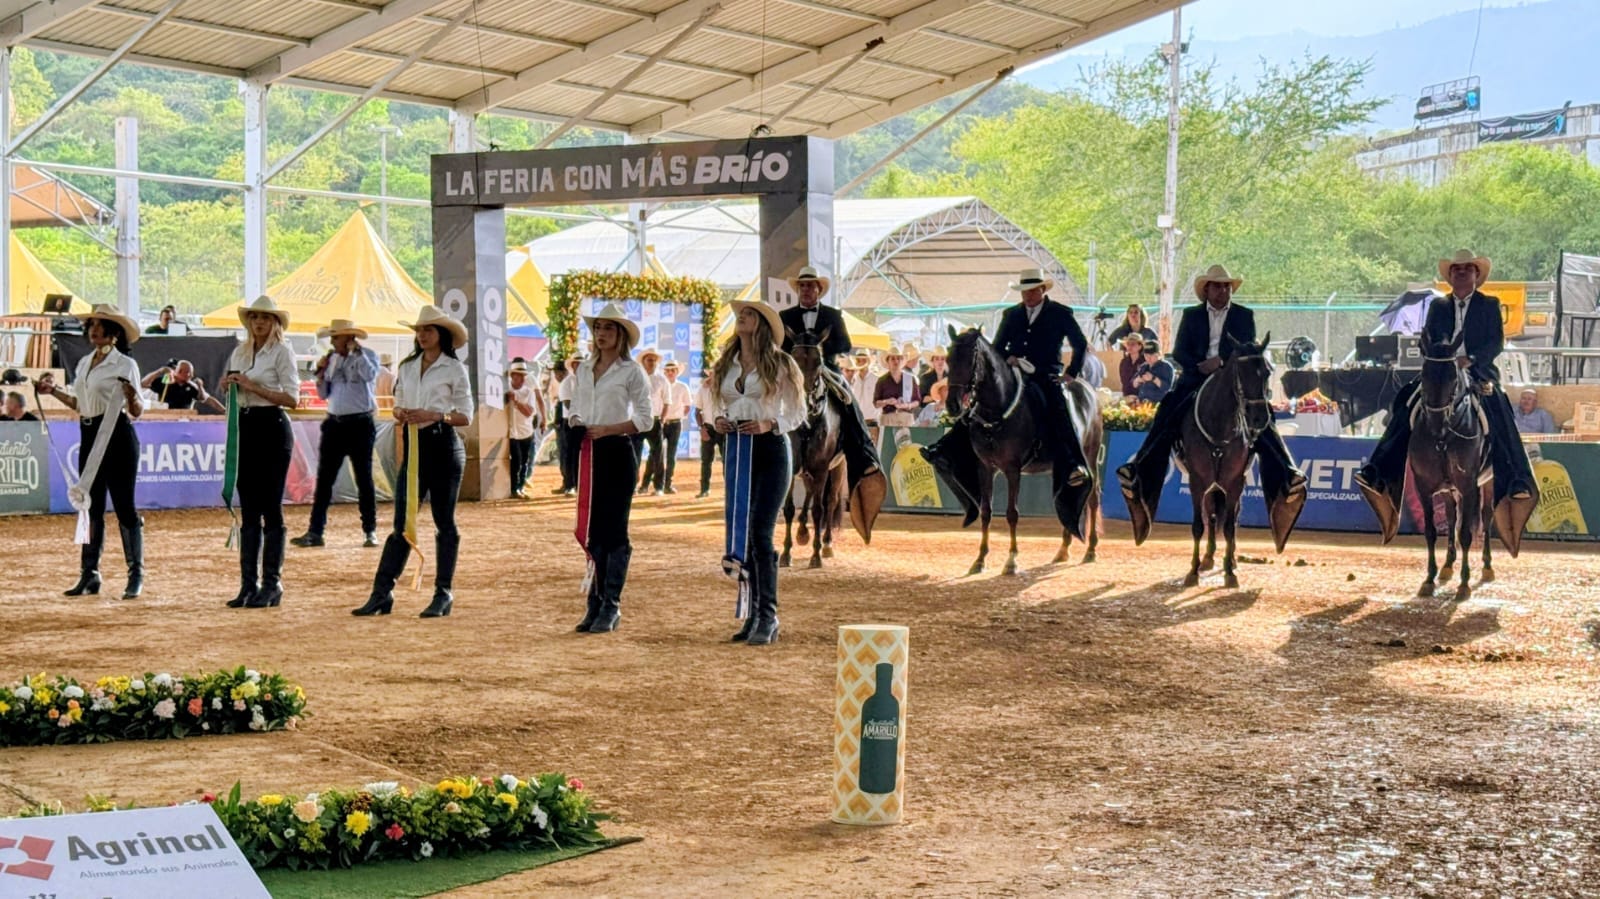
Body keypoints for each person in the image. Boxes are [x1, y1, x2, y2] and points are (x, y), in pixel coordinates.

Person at [1116, 265, 1307, 544]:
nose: (1222, 291)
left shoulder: (1244, 315)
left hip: (1234, 380)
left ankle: (1287, 472)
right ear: (1206, 290)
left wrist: (1221, 362)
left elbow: (1248, 347)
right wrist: (1199, 366)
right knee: (1169, 407)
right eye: (1217, 286)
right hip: (1196, 377)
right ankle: (1140, 468)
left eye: (1226, 286)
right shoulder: (1192, 315)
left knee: (1262, 414)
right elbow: (1179, 351)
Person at [1354, 250, 1539, 540]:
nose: (1462, 273)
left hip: (1477, 371)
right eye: (1457, 269)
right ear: (1450, 276)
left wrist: (1472, 359)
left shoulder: (1489, 305)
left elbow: (1496, 342)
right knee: (1406, 399)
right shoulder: (1438, 306)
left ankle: (1517, 476)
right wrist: (1438, 353)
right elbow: (1429, 337)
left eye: (1468, 269)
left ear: (1477, 276)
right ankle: (1379, 469)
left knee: (1499, 405)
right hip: (1441, 369)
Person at [922, 268, 1096, 537]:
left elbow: (1080, 343)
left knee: (1058, 409)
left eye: (1032, 290)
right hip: (1013, 374)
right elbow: (999, 347)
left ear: (1043, 290)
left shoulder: (1061, 313)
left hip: (1044, 374)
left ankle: (1074, 464)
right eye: (1024, 291)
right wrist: (1009, 359)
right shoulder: (1011, 314)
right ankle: (946, 449)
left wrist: (1071, 373)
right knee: (978, 411)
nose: (1027, 295)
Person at [353, 306, 473, 619]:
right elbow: (399, 404)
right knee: (402, 523)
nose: (421, 335)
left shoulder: (454, 369)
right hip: (416, 446)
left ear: (441, 335)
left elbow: (465, 416)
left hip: (444, 446)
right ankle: (381, 592)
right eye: (419, 330)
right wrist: (401, 413)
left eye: (428, 330)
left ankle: (443, 592)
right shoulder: (408, 367)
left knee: (443, 521)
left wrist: (435, 415)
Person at [708, 298, 804, 645]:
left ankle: (768, 614)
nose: (741, 317)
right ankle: (752, 612)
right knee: (743, 531)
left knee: (760, 532)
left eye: (748, 314)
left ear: (762, 323)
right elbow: (716, 402)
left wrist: (769, 423)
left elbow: (797, 412)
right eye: (740, 315)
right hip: (736, 447)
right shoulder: (727, 364)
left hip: (771, 449)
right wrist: (717, 418)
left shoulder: (781, 363)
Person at [33, 305, 145, 599]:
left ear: (114, 332)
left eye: (101, 325)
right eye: (91, 325)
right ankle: (89, 573)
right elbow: (79, 404)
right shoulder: (84, 363)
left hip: (117, 437)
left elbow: (137, 411)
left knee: (124, 507)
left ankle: (136, 574)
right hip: (89, 434)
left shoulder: (124, 364)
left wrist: (132, 395)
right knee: (90, 506)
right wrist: (52, 391)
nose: (94, 329)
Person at [777, 265, 887, 539]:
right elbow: (778, 346)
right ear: (798, 290)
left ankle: (859, 445)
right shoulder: (785, 316)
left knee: (848, 399)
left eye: (811, 286)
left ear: (818, 290)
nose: (807, 290)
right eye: (802, 286)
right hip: (794, 371)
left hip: (825, 367)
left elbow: (846, 345)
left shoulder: (833, 315)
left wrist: (822, 349)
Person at [570, 303, 653, 634]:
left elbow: (645, 419)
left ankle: (611, 605)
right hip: (590, 453)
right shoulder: (583, 369)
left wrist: (608, 429)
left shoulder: (632, 372)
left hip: (618, 452)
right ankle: (596, 602)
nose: (601, 334)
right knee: (593, 530)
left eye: (608, 328)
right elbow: (576, 407)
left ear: (620, 335)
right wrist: (576, 422)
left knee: (614, 530)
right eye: (598, 328)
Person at [221, 296, 300, 609]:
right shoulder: (240, 351)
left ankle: (272, 583)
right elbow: (230, 388)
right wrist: (228, 384)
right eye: (254, 318)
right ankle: (247, 585)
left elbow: (291, 397)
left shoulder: (283, 351)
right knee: (250, 510)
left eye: (265, 318)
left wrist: (253, 386)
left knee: (270, 507)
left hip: (272, 427)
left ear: (275, 323)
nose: (259, 323)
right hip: (245, 428)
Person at [291, 320, 381, 549]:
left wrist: (355, 354)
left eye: (335, 337)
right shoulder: (332, 359)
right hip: (335, 424)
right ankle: (315, 531)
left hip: (360, 422)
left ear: (348, 338)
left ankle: (370, 530)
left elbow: (369, 375)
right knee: (325, 481)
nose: (332, 341)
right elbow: (323, 394)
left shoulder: (368, 355)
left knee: (364, 478)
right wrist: (320, 375)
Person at [633, 347, 669, 496]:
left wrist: (662, 419)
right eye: (649, 360)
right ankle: (633, 485)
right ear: (643, 361)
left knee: (658, 455)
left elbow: (667, 402)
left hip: (655, 421)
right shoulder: (635, 378)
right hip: (637, 420)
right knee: (634, 455)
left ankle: (659, 487)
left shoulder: (662, 379)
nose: (652, 363)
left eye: (654, 360)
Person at [505, 359, 538, 498]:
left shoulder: (528, 392)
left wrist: (516, 401)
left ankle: (520, 486)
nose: (523, 378)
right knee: (516, 460)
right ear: (512, 376)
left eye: (523, 376)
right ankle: (514, 488)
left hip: (525, 431)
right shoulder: (506, 391)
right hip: (512, 432)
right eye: (519, 375)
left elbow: (529, 412)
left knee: (524, 461)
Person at [141, 360, 225, 413]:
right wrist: (159, 371)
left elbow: (207, 399)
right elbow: (143, 384)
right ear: (180, 371)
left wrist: (225, 411)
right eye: (189, 373)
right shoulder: (164, 381)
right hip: (164, 416)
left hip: (184, 418)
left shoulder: (192, 386)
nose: (191, 376)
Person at [660, 358, 691, 494]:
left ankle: (668, 484)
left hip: (675, 423)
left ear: (677, 372)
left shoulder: (683, 387)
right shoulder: (660, 385)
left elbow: (687, 406)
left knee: (671, 455)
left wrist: (679, 416)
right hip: (661, 423)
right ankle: (655, 484)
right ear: (665, 372)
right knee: (656, 454)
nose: (670, 372)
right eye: (668, 370)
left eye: (673, 370)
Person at [874, 349, 921, 427]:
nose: (896, 361)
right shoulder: (882, 380)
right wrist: (886, 401)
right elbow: (876, 403)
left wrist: (906, 405)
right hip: (888, 418)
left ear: (902, 361)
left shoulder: (910, 378)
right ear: (887, 361)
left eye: (899, 358)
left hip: (906, 418)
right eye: (893, 359)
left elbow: (917, 401)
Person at [551, 361, 577, 495]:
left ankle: (569, 484)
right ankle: (567, 483)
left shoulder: (568, 382)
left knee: (567, 455)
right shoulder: (567, 383)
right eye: (555, 373)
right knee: (565, 455)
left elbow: (566, 405)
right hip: (564, 423)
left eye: (558, 373)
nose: (556, 376)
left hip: (568, 424)